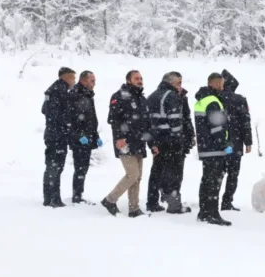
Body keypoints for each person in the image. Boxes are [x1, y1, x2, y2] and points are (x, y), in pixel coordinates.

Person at [101, 70, 151, 218]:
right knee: (132, 174)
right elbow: (114, 120)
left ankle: (134, 209)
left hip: (139, 142)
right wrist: (120, 137)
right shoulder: (119, 96)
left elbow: (145, 123)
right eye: (136, 78)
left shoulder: (142, 98)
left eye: (141, 78)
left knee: (138, 177)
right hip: (125, 142)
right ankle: (110, 200)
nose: (140, 80)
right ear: (128, 80)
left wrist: (150, 142)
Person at [146, 71, 192, 214]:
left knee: (157, 172)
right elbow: (176, 122)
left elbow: (147, 122)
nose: (180, 86)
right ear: (171, 83)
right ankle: (174, 205)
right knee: (174, 173)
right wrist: (180, 141)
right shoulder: (171, 96)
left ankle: (152, 202)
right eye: (179, 83)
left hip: (157, 140)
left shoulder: (152, 96)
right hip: (171, 141)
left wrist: (153, 142)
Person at [193, 73, 233, 226]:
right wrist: (224, 144)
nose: (223, 87)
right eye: (222, 84)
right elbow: (217, 126)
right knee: (214, 182)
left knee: (206, 180)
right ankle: (212, 213)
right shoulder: (213, 101)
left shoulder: (202, 100)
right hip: (215, 149)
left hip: (205, 147)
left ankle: (204, 212)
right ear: (216, 84)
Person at [41, 67, 76, 207]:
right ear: (65, 77)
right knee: (55, 166)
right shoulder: (59, 91)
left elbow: (44, 109)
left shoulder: (53, 90)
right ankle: (53, 198)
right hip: (57, 135)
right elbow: (55, 113)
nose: (74, 81)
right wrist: (67, 125)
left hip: (53, 134)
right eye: (73, 78)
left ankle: (49, 197)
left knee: (52, 165)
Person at [219, 69, 253, 211]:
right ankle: (227, 201)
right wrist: (248, 141)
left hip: (218, 142)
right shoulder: (239, 99)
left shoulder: (215, 97)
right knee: (233, 174)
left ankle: (211, 200)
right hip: (235, 142)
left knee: (217, 174)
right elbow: (245, 121)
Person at [68, 70, 103, 204]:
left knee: (84, 167)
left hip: (88, 137)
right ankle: (76, 197)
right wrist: (81, 136)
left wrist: (96, 135)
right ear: (83, 81)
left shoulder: (88, 95)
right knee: (80, 168)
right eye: (92, 81)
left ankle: (78, 195)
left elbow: (90, 120)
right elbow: (74, 120)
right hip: (79, 138)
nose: (94, 83)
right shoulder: (76, 95)